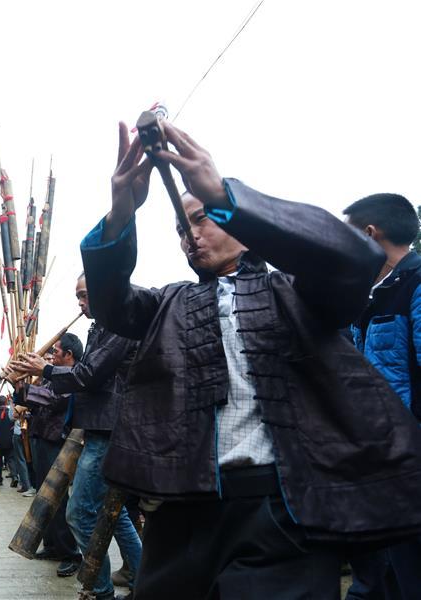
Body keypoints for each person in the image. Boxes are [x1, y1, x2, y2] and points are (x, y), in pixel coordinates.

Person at [80, 119, 421, 599]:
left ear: (246, 230)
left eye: (201, 220)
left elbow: (351, 258)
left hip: (281, 509)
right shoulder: (165, 304)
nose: (189, 236)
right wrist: (120, 213)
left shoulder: (299, 294)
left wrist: (222, 195)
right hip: (181, 509)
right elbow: (110, 301)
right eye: (181, 228)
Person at [13, 275, 142, 599]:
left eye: (85, 296)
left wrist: (43, 370)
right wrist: (31, 378)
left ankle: (100, 590)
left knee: (79, 512)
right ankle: (141, 575)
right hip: (100, 429)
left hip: (106, 430)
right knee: (113, 513)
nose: (81, 304)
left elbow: (89, 376)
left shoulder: (117, 324)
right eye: (78, 297)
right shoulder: (101, 327)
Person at [345, 193, 421, 599]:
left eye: (349, 236)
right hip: (384, 457)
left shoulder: (416, 281)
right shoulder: (369, 297)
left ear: (370, 234)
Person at [15, 333, 85, 578]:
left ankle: (71, 553)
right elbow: (32, 400)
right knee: (45, 494)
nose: (52, 355)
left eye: (56, 351)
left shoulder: (73, 376)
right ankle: (53, 545)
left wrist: (35, 377)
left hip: (61, 441)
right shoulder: (52, 375)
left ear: (69, 355)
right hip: (42, 437)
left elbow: (53, 400)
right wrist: (19, 382)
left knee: (61, 498)